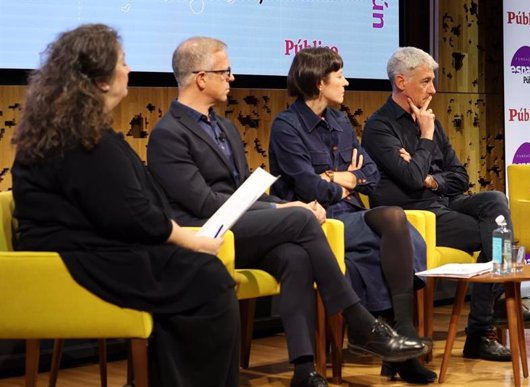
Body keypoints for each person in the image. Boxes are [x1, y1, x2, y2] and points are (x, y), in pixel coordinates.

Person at [146, 37, 428, 387]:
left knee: (294, 256)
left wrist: (283, 204)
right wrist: (292, 209)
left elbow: (241, 192)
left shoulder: (227, 128)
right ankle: (359, 320)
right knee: (301, 218)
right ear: (201, 77)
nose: (232, 78)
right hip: (204, 232)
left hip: (240, 226)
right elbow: (205, 204)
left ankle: (304, 369)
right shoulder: (168, 134)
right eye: (226, 71)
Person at [10, 24, 239, 387]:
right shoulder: (81, 137)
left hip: (87, 248)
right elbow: (131, 214)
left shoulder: (69, 127)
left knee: (195, 271)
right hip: (74, 259)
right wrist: (190, 239)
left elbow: (129, 207)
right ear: (101, 80)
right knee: (206, 278)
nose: (129, 69)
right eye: (123, 61)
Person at [361, 47, 530, 362]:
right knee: (496, 234)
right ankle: (484, 325)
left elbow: (460, 176)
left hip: (442, 202)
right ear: (401, 81)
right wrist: (426, 137)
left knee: (495, 201)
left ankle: (489, 315)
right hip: (414, 215)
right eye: (426, 82)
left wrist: (431, 180)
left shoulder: (430, 120)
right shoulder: (380, 127)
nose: (433, 89)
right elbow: (409, 178)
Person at [269, 47, 436, 384]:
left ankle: (398, 341)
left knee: (396, 225)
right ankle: (400, 339)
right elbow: (309, 187)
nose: (346, 82)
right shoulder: (287, 126)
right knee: (391, 230)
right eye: (340, 76)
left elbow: (370, 176)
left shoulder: (339, 121)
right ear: (318, 82)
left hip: (351, 214)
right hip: (317, 221)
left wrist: (336, 178)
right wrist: (340, 180)